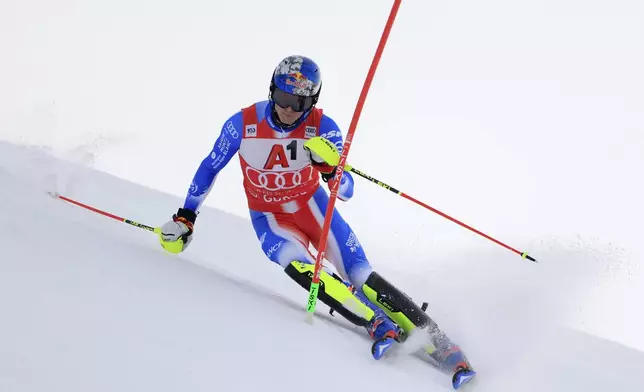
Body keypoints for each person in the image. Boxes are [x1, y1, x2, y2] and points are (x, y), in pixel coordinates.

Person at [158, 55, 476, 389]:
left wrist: (328, 168)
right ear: (271, 91)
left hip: (313, 209)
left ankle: (444, 346)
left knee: (361, 275)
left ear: (313, 101)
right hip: (270, 217)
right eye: (282, 98)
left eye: (299, 103)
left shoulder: (324, 129)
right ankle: (376, 322)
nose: (289, 110)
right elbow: (211, 166)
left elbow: (347, 190)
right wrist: (187, 217)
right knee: (296, 264)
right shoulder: (243, 124)